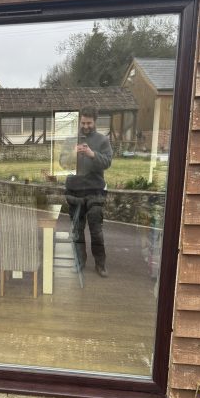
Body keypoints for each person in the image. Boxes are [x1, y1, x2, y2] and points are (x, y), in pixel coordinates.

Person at [60, 106, 112, 277]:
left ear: (95, 121)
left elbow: (107, 162)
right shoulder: (70, 140)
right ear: (79, 121)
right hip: (74, 191)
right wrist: (73, 153)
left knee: (96, 231)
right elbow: (62, 163)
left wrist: (92, 154)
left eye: (89, 123)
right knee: (77, 231)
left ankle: (100, 264)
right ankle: (80, 261)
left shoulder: (103, 140)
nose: (86, 126)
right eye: (83, 123)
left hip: (95, 191)